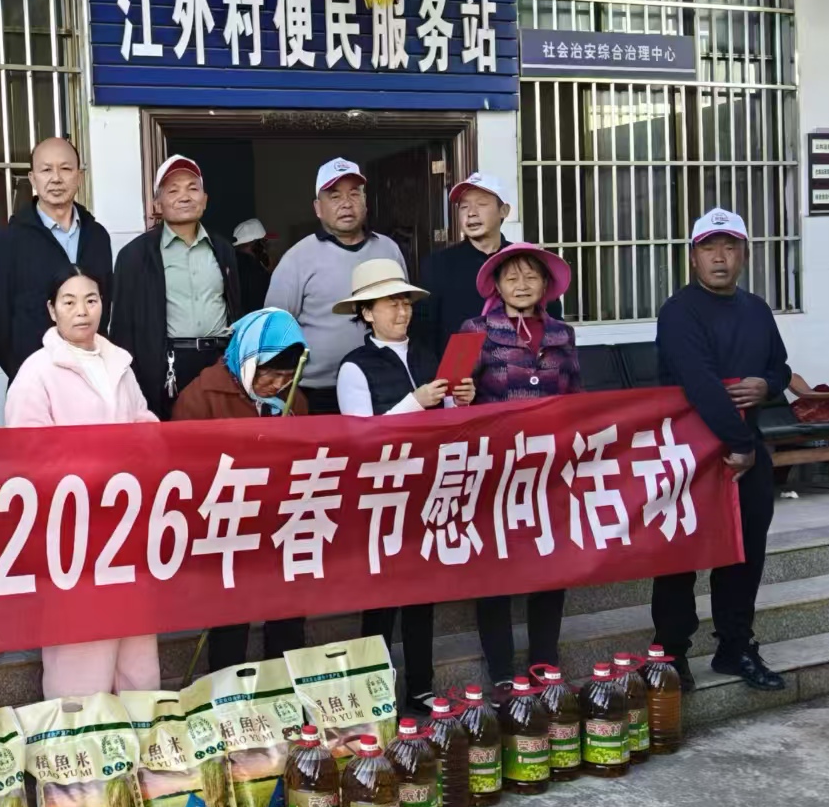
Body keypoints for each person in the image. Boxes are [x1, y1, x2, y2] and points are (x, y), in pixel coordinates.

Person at [649, 209, 788, 692]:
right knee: (679, 556)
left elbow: (780, 367)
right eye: (709, 248)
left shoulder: (757, 309)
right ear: (693, 257)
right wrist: (740, 444)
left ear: (745, 254)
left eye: (730, 247)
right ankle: (671, 653)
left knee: (745, 554)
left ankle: (735, 647)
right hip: (691, 454)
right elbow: (700, 384)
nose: (720, 257)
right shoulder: (679, 311)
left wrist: (766, 385)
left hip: (747, 452)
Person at [4, 268, 160, 696]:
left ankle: (139, 727)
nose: (82, 311)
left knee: (135, 640)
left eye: (91, 300)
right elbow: (25, 452)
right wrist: (97, 466)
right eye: (69, 302)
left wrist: (142, 447)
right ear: (51, 310)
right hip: (71, 530)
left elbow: (143, 422)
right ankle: (82, 734)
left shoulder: (119, 362)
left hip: (125, 525)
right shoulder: (36, 371)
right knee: (81, 641)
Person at [332, 260, 476, 713]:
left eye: (405, 302)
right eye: (390, 303)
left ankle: (420, 686)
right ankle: (372, 692)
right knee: (380, 598)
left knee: (421, 594)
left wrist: (461, 401)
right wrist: (414, 402)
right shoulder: (354, 366)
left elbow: (450, 419)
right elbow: (361, 436)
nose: (401, 311)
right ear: (366, 312)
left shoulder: (428, 355)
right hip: (381, 492)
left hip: (426, 485)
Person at [459, 243, 582, 688]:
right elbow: (452, 393)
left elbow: (578, 398)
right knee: (495, 568)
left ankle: (544, 664)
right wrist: (461, 396)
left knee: (551, 565)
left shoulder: (563, 333)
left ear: (546, 284)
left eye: (531, 276)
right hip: (494, 470)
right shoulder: (474, 330)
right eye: (512, 277)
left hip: (550, 469)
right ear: (497, 286)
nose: (522, 284)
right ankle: (502, 674)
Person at [172, 307, 310, 672]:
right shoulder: (201, 396)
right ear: (248, 358)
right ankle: (227, 694)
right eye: (269, 373)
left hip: (280, 525)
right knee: (230, 620)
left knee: (287, 615)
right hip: (227, 528)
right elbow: (185, 470)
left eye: (286, 376)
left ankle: (283, 689)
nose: (277, 385)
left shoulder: (293, 400)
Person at [265, 157, 407, 414]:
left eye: (354, 194)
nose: (346, 203)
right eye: (335, 196)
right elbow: (275, 330)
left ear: (365, 202)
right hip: (318, 391)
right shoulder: (297, 258)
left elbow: (404, 309)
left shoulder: (388, 249)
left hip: (384, 382)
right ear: (318, 208)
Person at [109, 154, 242, 419]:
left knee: (221, 438)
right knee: (170, 438)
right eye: (173, 190)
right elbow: (122, 329)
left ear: (205, 200)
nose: (185, 197)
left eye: (193, 188)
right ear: (157, 203)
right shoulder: (134, 256)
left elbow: (237, 309)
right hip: (166, 367)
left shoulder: (223, 250)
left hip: (220, 363)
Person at [0, 137, 114, 382]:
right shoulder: (8, 241)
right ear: (33, 179)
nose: (56, 178)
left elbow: (104, 305)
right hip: (34, 380)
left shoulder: (97, 236)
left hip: (92, 376)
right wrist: (23, 371)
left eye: (65, 168)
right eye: (46, 170)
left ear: (79, 176)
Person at [415, 172, 562, 356]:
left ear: (504, 211)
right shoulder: (437, 265)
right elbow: (423, 334)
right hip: (460, 371)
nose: (471, 213)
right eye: (463, 206)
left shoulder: (527, 261)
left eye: (482, 204)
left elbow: (553, 320)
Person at [231, 217, 274, 312]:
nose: (265, 249)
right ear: (256, 245)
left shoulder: (230, 266)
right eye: (263, 243)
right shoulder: (257, 272)